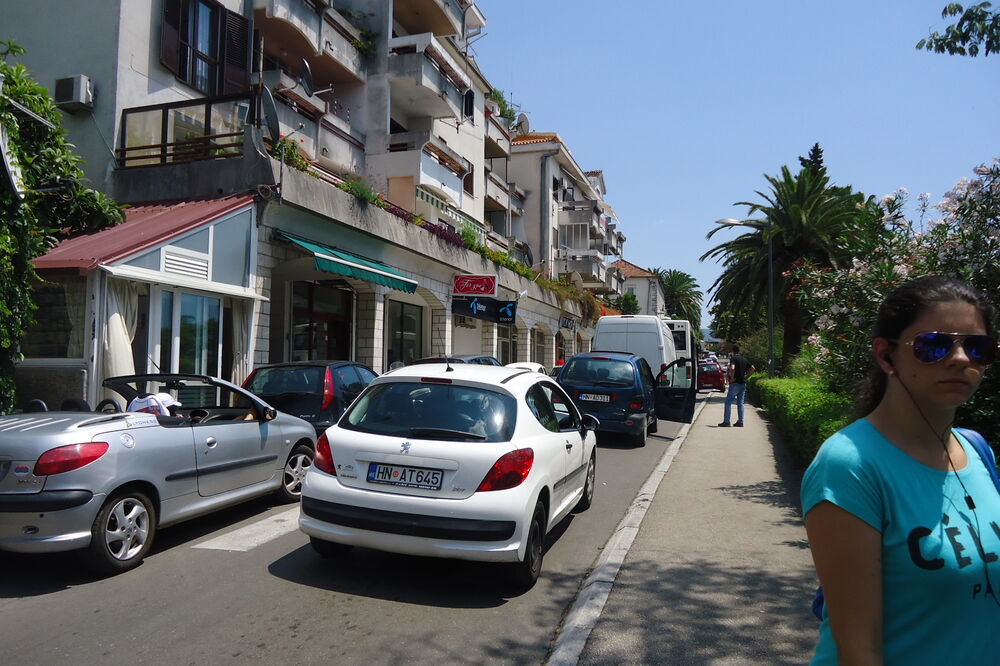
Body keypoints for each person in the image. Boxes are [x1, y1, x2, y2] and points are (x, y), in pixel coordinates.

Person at [801, 275, 1000, 664]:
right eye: (934, 345)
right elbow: (860, 651)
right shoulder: (850, 465)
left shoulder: (977, 450)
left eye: (976, 347)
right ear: (885, 355)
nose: (960, 359)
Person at [718, 344, 753, 427]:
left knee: (728, 402)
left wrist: (732, 378)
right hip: (743, 383)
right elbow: (753, 368)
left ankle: (726, 421)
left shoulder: (733, 358)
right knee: (740, 403)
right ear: (739, 351)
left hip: (735, 383)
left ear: (733, 351)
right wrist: (746, 377)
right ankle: (740, 421)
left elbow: (732, 368)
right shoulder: (744, 359)